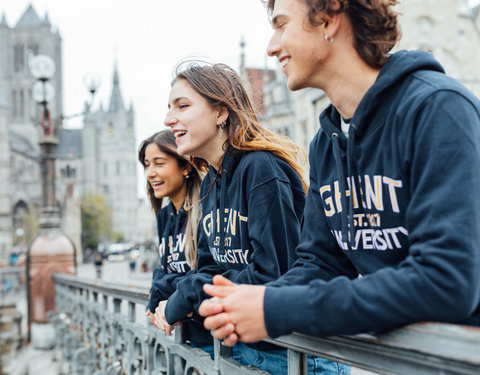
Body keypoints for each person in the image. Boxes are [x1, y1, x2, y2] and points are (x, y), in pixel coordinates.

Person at [198, 0, 480, 348]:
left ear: (329, 19)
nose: (271, 47)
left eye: (282, 26)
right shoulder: (326, 143)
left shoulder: (438, 109)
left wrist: (277, 309)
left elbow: (446, 281)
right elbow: (321, 263)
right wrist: (245, 300)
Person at [157, 62, 347, 375]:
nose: (168, 119)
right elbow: (211, 267)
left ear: (221, 113)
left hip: (294, 354)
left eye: (183, 105)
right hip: (245, 350)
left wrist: (187, 296)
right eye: (169, 107)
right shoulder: (211, 182)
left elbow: (273, 276)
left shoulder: (262, 169)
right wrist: (174, 295)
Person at [138, 130, 212, 350]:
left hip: (217, 342)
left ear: (186, 166)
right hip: (186, 338)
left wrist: (162, 284)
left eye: (159, 163)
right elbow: (172, 274)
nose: (150, 173)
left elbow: (207, 276)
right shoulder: (164, 216)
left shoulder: (206, 208)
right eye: (147, 165)